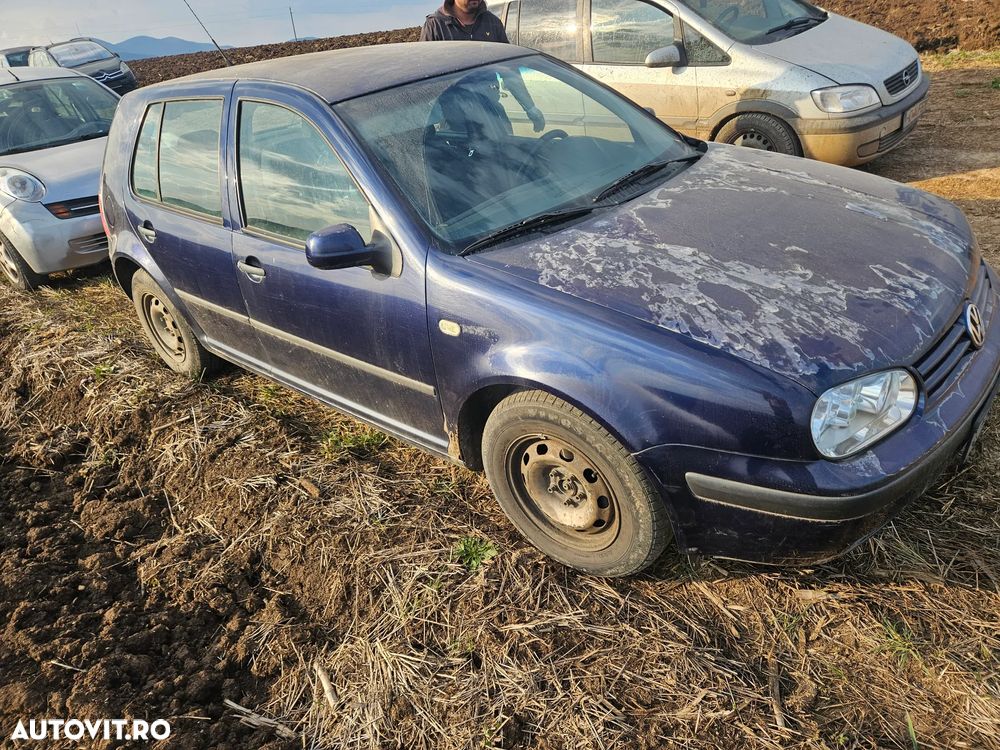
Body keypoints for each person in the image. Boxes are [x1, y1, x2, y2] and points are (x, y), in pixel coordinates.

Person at [420, 0, 545, 132]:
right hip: (453, 121)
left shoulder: (492, 23)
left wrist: (530, 108)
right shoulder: (435, 25)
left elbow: (508, 70)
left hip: (492, 113)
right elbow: (423, 78)